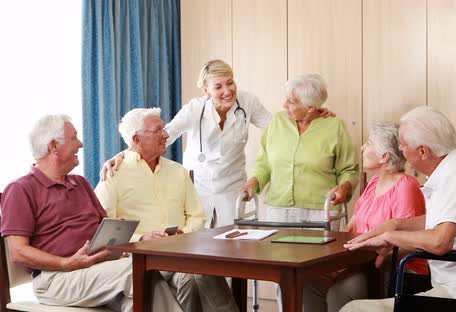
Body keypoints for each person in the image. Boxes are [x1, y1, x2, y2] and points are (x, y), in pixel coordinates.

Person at [101, 59, 333, 228]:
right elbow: (162, 135)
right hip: (197, 190)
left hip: (232, 188)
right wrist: (123, 154)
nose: (227, 91)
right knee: (200, 254)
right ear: (206, 90)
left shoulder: (247, 103)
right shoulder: (194, 109)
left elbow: (278, 128)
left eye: (230, 83)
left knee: (234, 254)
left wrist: (311, 112)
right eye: (218, 86)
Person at [0, 114, 183, 311]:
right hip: (56, 278)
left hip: (97, 270)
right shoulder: (20, 189)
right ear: (53, 146)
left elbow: (107, 229)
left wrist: (128, 245)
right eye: (74, 138)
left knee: (146, 290)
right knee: (137, 272)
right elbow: (17, 251)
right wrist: (66, 263)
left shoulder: (80, 183)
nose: (80, 144)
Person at [340, 106, 456, 311]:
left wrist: (390, 237)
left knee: (353, 309)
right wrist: (396, 224)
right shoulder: (452, 168)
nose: (400, 151)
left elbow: (440, 242)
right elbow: (442, 220)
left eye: (402, 145)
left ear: (423, 151)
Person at [94, 108, 238, 312]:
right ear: (137, 138)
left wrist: (182, 237)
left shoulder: (178, 172)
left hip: (182, 254)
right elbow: (105, 228)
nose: (166, 134)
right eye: (158, 130)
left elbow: (197, 215)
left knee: (197, 274)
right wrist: (141, 238)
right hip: (142, 260)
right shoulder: (113, 174)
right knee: (199, 273)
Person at [239, 74, 359, 311]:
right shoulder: (277, 124)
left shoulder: (334, 127)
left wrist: (344, 187)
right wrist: (254, 181)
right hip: (279, 210)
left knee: (316, 274)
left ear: (311, 107)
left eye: (292, 101)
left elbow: (349, 170)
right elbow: (264, 163)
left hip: (318, 212)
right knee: (282, 274)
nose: (285, 105)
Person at [302, 123, 427, 312]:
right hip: (360, 263)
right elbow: (351, 227)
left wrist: (356, 263)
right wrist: (333, 260)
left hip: (392, 269)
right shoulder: (374, 182)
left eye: (368, 143)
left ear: (384, 156)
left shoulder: (406, 187)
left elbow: (409, 245)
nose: (362, 147)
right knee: (310, 283)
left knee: (342, 290)